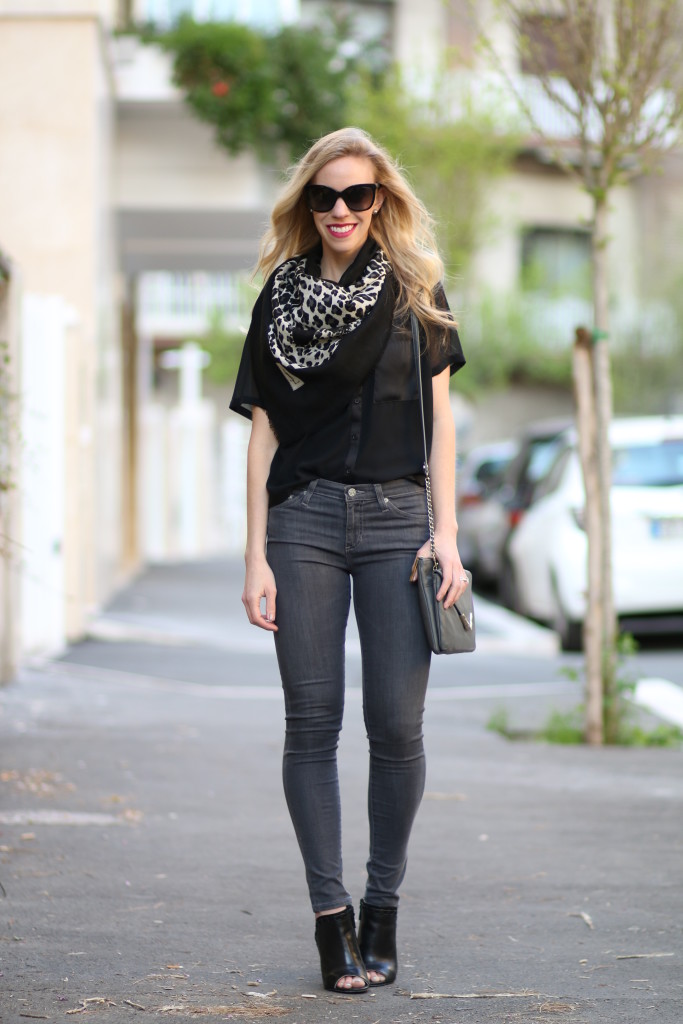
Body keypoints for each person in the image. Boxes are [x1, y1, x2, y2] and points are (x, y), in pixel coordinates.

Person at [230, 126, 467, 994]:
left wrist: (446, 536)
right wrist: (253, 553)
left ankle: (383, 909)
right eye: (323, 196)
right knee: (311, 723)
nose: (339, 210)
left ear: (381, 201)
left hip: (400, 521)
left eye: (356, 196)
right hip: (304, 522)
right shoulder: (280, 298)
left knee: (396, 727)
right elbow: (262, 431)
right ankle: (331, 924)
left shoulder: (414, 291)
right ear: (306, 204)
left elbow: (442, 427)